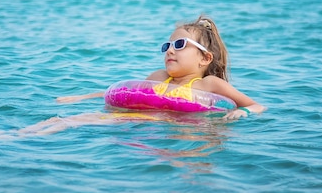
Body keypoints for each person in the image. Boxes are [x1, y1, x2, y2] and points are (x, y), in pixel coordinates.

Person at [57, 15, 266, 120]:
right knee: (76, 120)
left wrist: (244, 113)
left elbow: (257, 105)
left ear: (205, 58)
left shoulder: (209, 84)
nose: (170, 51)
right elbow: (130, 93)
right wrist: (82, 98)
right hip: (144, 122)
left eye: (180, 45)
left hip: (189, 132)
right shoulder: (160, 76)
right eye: (168, 46)